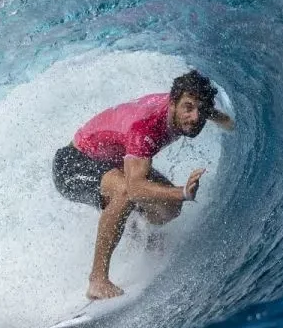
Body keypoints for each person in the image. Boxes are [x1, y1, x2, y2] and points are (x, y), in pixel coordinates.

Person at [52, 70, 235, 299]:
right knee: (127, 192)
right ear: (172, 103)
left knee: (169, 209)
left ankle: (140, 234)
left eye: (202, 110)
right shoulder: (146, 128)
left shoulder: (187, 105)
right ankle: (97, 280)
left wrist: (226, 121)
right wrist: (183, 192)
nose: (196, 117)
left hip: (114, 162)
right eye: (188, 108)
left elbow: (199, 108)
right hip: (73, 164)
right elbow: (136, 188)